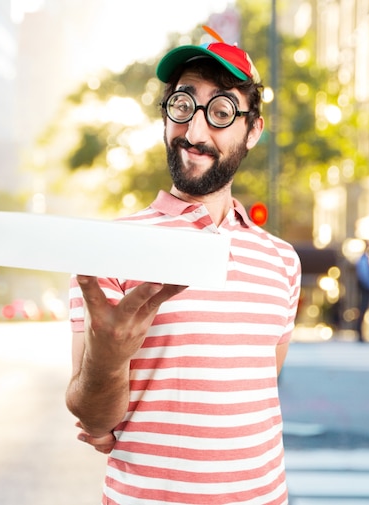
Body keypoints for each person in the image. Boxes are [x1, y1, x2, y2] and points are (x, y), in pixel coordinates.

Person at [66, 28, 302, 505]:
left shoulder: (282, 261)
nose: (193, 133)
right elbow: (94, 419)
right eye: (182, 106)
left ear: (253, 130)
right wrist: (108, 360)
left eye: (220, 113)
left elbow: (257, 390)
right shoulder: (106, 248)